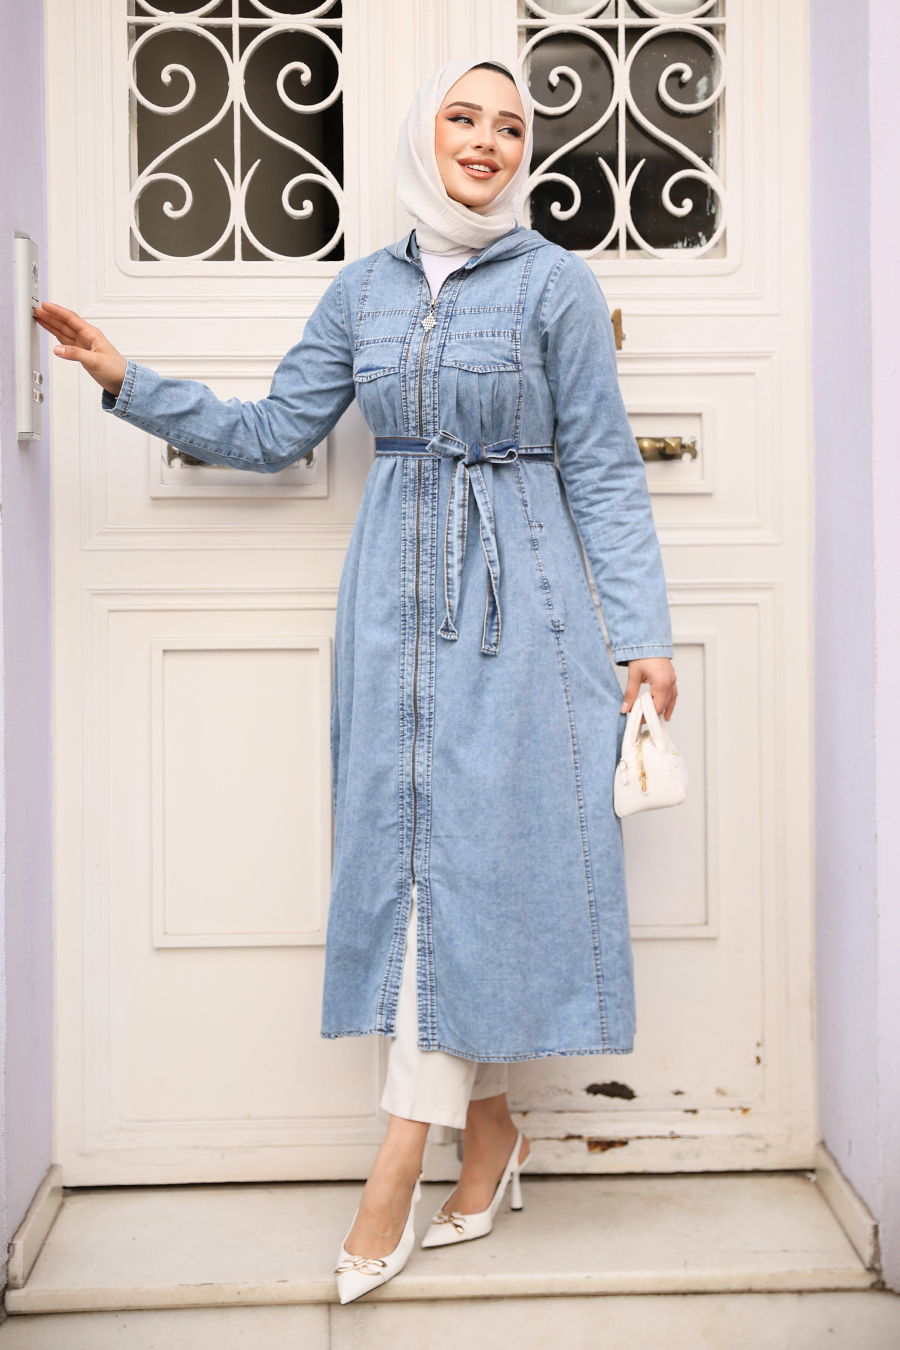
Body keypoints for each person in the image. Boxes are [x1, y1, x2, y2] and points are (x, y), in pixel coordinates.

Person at [35, 59, 676, 1305]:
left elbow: (602, 464)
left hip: (525, 609)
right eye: (463, 118)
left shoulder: (554, 282)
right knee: (422, 866)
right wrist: (126, 381)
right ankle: (491, 1135)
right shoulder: (363, 291)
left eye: (511, 127)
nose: (486, 141)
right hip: (390, 610)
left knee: (483, 871)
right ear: (420, 135)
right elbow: (276, 432)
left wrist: (640, 634)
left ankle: (395, 1169)